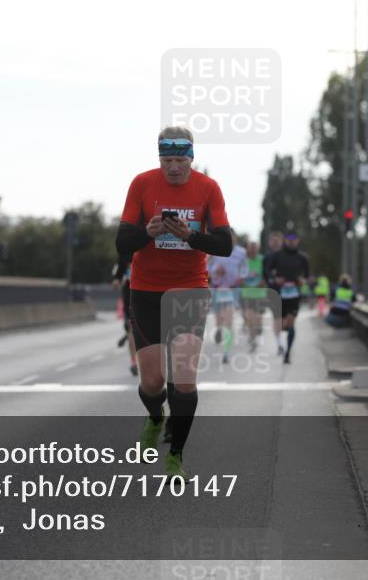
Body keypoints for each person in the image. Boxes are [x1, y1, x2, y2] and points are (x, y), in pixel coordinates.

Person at [116, 126, 232, 479]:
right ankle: (155, 418)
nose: (174, 168)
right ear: (159, 159)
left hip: (189, 291)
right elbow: (122, 243)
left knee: (183, 380)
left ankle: (176, 456)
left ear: (191, 158)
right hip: (147, 290)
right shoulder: (142, 184)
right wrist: (147, 233)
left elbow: (225, 244)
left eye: (181, 160)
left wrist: (192, 237)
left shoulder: (208, 189)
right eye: (167, 160)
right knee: (152, 382)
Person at [264, 231, 310, 364]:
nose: (291, 242)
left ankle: (288, 353)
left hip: (294, 294)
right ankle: (282, 340)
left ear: (298, 241)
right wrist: (274, 280)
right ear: (285, 241)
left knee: (291, 323)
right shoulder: (277, 256)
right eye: (288, 239)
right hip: (279, 294)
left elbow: (307, 275)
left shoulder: (303, 257)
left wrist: (303, 280)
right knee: (282, 325)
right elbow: (267, 271)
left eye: (293, 239)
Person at [207, 230, 247, 364]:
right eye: (228, 237)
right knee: (219, 319)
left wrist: (242, 277)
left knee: (229, 321)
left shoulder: (241, 252)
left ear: (235, 238)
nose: (231, 239)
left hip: (232, 290)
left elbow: (244, 268)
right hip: (217, 289)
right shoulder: (216, 250)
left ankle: (226, 352)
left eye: (232, 237)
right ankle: (218, 329)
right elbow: (207, 268)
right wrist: (215, 272)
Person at [111, 251, 137, 375]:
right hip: (130, 291)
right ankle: (134, 362)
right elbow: (119, 267)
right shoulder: (127, 247)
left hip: (151, 290)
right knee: (132, 327)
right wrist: (117, 279)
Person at [261, 230, 285, 356]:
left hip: (289, 293)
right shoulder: (266, 258)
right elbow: (265, 276)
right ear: (270, 243)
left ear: (282, 242)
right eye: (273, 241)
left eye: (277, 241)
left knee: (286, 319)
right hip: (273, 292)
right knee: (277, 318)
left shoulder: (288, 256)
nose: (275, 243)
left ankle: (283, 339)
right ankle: (279, 343)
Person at [239, 241, 265, 351]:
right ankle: (252, 339)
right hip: (247, 294)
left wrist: (263, 281)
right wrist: (243, 279)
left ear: (258, 249)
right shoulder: (243, 261)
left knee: (258, 319)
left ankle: (258, 328)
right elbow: (239, 276)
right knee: (249, 318)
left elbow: (267, 274)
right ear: (248, 249)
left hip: (260, 294)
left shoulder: (262, 260)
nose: (253, 250)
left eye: (255, 248)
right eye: (251, 248)